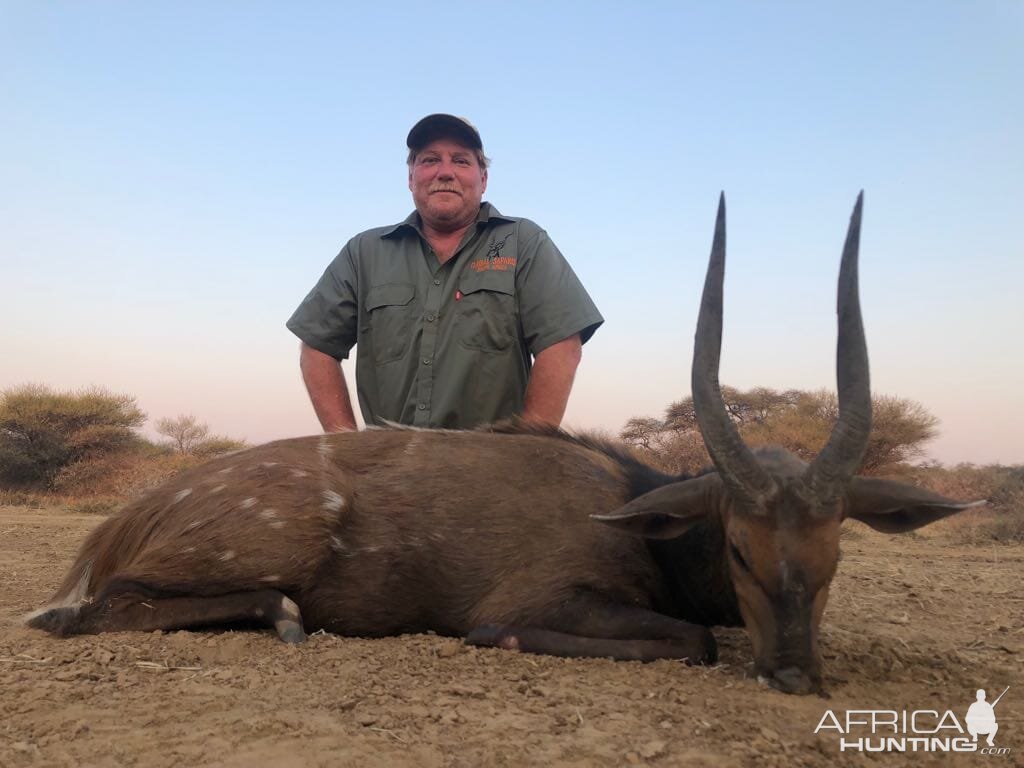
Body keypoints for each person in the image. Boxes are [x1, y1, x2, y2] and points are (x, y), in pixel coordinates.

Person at [287, 114, 603, 431]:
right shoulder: (363, 252)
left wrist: (529, 453)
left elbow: (561, 343)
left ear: (483, 179)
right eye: (430, 160)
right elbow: (316, 345)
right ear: (411, 177)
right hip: (386, 472)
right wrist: (346, 446)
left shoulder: (523, 242)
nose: (445, 172)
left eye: (461, 161)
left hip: (491, 468)